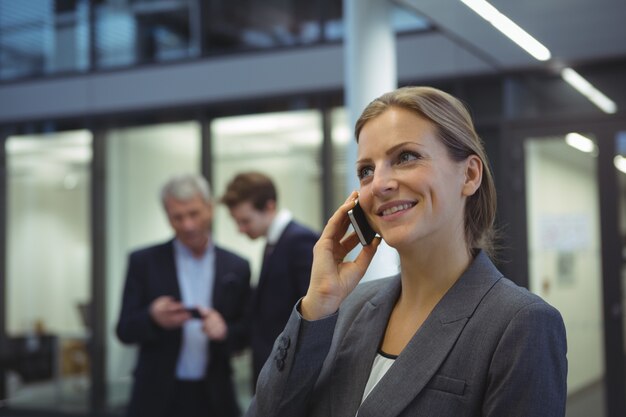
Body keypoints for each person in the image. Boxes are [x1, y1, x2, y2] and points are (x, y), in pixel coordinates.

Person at [245, 86, 568, 417]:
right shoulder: (349, 307)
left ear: (469, 175)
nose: (380, 184)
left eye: (406, 157)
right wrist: (318, 304)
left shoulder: (520, 323)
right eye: (366, 171)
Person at [116, 174, 251, 417]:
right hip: (156, 396)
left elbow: (247, 331)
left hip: (215, 395)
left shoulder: (237, 266)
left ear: (209, 209)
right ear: (167, 217)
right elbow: (124, 329)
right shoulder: (144, 262)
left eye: (194, 214)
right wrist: (152, 317)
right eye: (177, 217)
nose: (187, 225)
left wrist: (224, 331)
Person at [221, 172, 319, 386]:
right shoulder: (275, 242)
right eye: (237, 222)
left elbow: (314, 314)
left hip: (290, 374)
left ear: (269, 206)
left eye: (245, 221)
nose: (240, 230)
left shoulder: (299, 241)